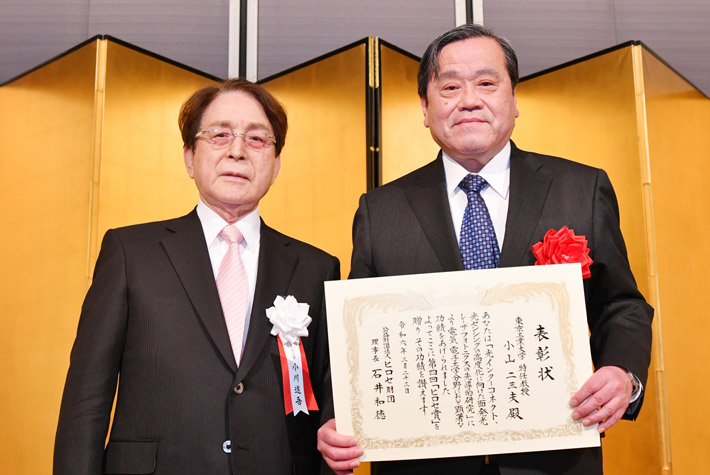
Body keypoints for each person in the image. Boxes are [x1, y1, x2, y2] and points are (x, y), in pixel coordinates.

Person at [317, 24, 653, 475]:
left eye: (487, 83)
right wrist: (337, 419)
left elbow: (622, 306)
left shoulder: (581, 188)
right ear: (425, 107)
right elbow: (355, 339)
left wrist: (622, 374)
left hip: (556, 458)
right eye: (450, 86)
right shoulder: (381, 211)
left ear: (514, 100)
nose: (469, 100)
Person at [54, 78, 340, 474]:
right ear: (189, 156)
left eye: (257, 140)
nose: (237, 151)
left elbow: (331, 405)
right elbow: (86, 401)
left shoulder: (316, 268)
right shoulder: (129, 253)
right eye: (219, 135)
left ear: (276, 165)